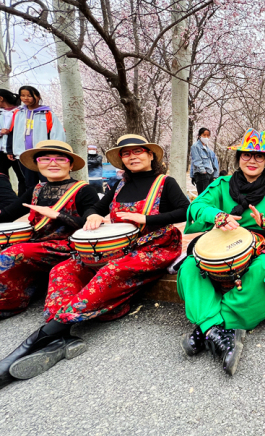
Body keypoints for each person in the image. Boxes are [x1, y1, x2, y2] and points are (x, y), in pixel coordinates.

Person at [0, 134, 189, 389]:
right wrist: (92, 217)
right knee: (64, 268)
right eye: (126, 153)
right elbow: (96, 209)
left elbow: (184, 210)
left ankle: (40, 338)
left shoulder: (165, 182)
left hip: (157, 245)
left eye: (138, 152)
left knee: (111, 271)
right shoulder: (117, 186)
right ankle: (60, 337)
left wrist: (148, 220)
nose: (132, 156)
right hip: (121, 246)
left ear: (151, 155)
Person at [177, 129, 265, 376]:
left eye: (259, 156)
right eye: (246, 155)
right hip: (222, 240)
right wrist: (218, 216)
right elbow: (197, 206)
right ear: (238, 158)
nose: (252, 160)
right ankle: (220, 331)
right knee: (190, 267)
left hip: (261, 239)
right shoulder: (220, 185)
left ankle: (207, 327)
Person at [0, 140, 99, 388]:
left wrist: (57, 215)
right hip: (39, 246)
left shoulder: (83, 189)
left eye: (59, 159)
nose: (52, 163)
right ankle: (11, 303)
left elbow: (90, 223)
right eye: (45, 159)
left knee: (14, 253)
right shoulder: (34, 190)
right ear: (37, 164)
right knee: (12, 250)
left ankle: (56, 332)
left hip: (70, 247)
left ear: (70, 164)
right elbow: (7, 214)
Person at [7, 86, 65, 188]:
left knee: (46, 180)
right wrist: (10, 150)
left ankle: (47, 202)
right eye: (23, 95)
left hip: (43, 154)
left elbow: (56, 133)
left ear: (37, 97)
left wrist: (56, 151)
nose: (25, 98)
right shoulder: (18, 113)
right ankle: (33, 202)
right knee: (29, 182)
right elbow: (12, 131)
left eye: (29, 96)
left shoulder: (47, 113)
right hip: (24, 154)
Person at [0, 89, 25, 195]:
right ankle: (6, 202)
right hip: (1, 151)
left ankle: (22, 205)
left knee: (23, 178)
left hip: (18, 150)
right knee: (2, 177)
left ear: (1, 99)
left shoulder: (22, 112)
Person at [190, 127, 219, 194]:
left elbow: (212, 161)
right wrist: (203, 171)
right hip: (202, 175)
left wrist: (214, 174)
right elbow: (196, 161)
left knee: (209, 195)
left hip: (209, 174)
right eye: (204, 135)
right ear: (199, 136)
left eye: (208, 135)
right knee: (203, 195)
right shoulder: (195, 146)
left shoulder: (207, 147)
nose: (206, 137)